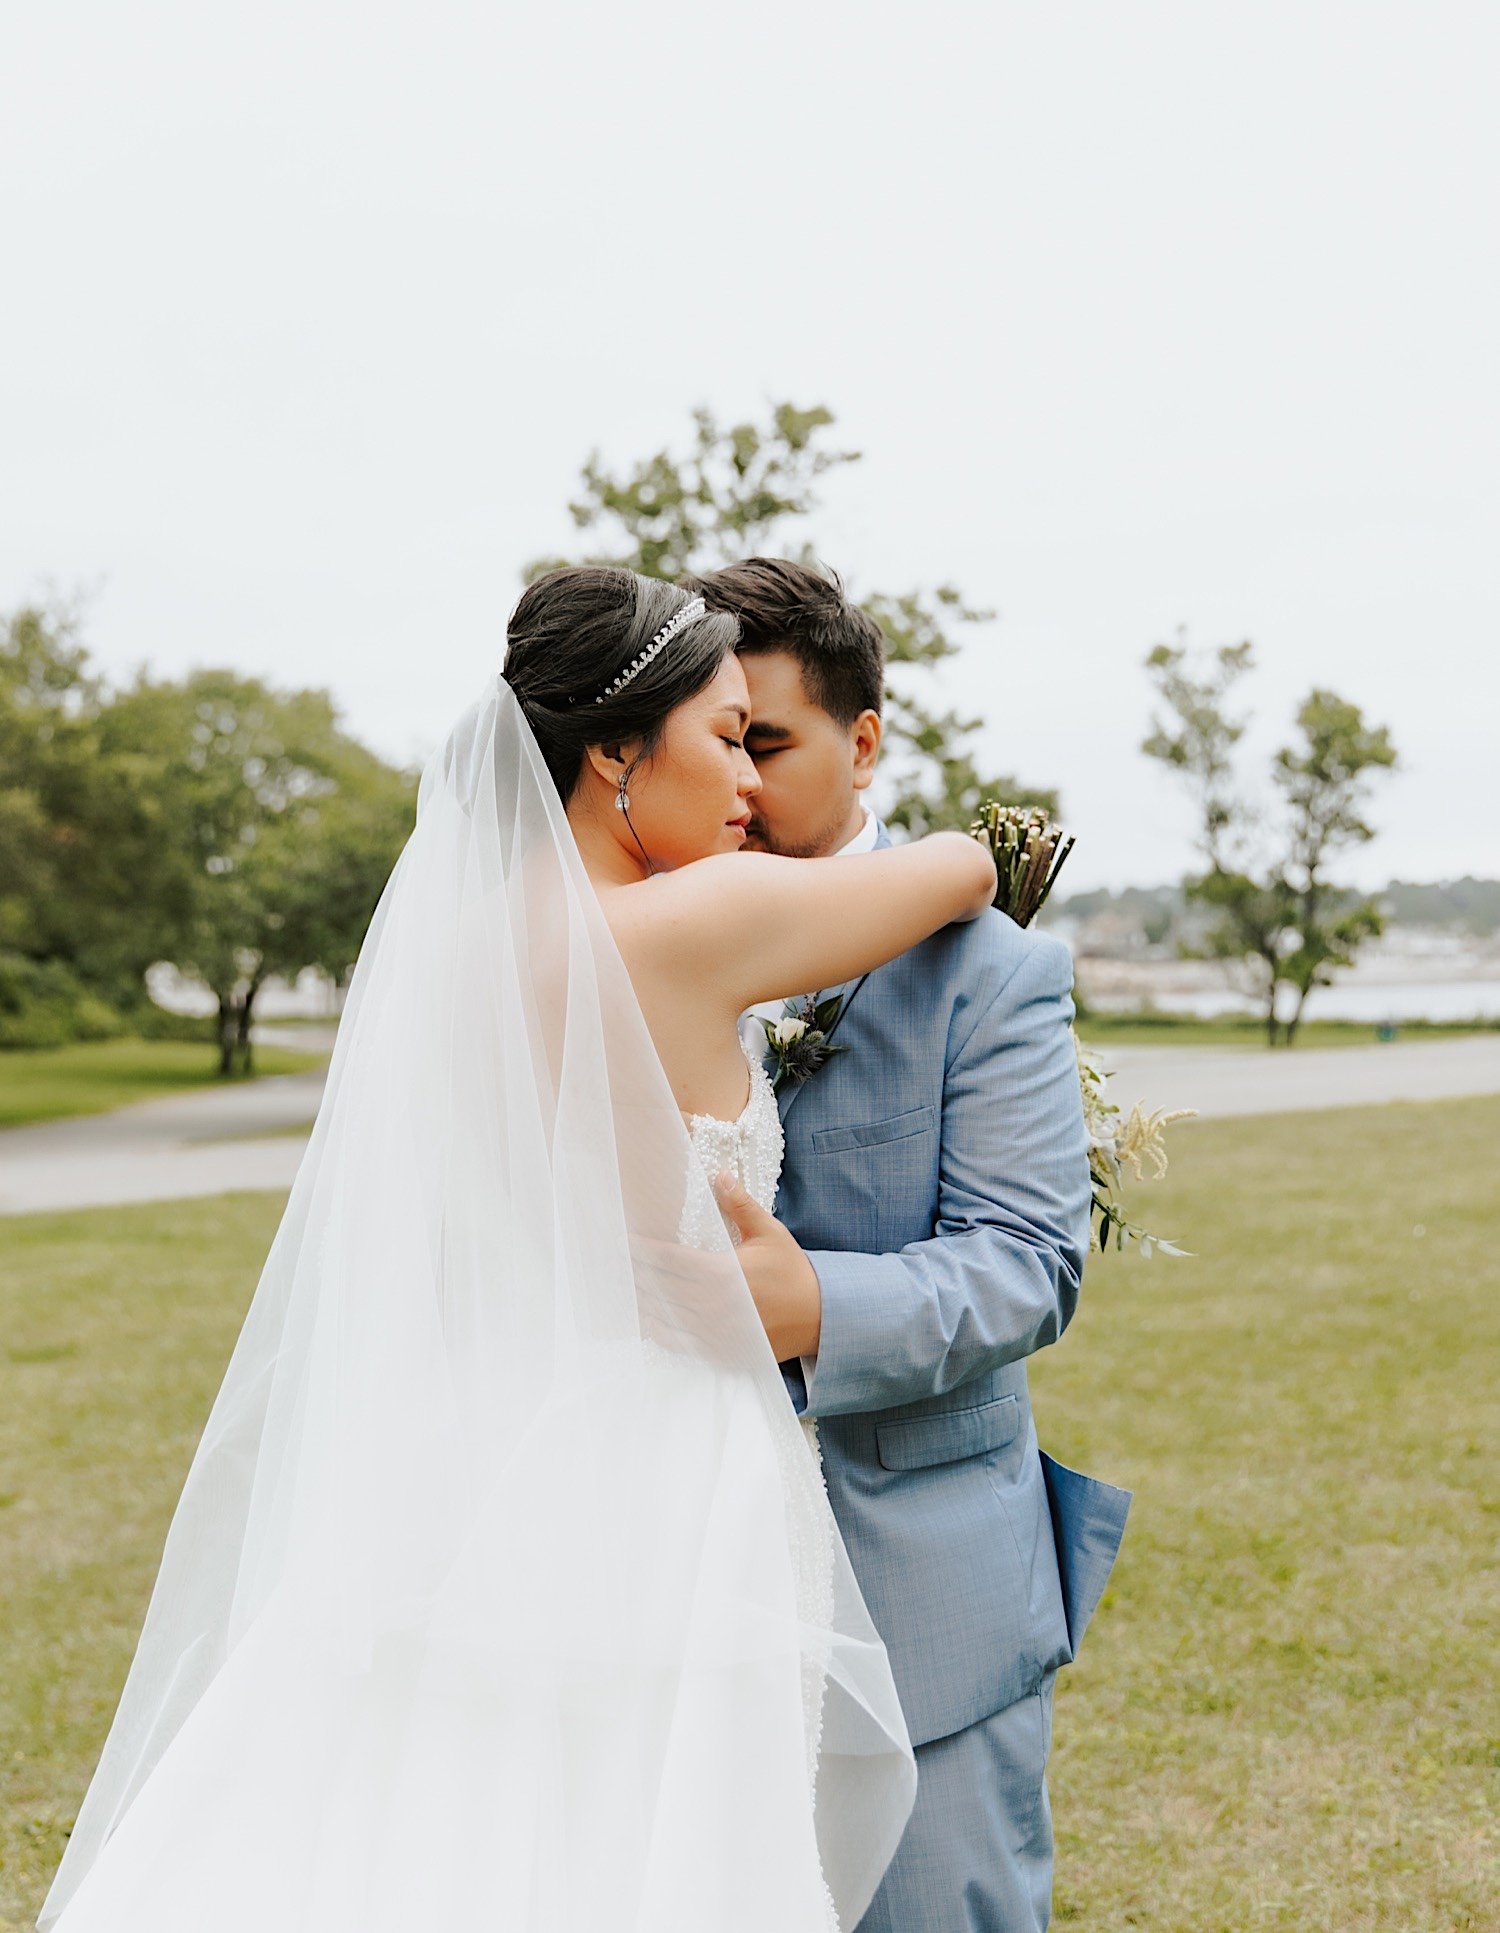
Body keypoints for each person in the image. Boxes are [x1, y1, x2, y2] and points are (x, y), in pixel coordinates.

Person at [38, 567, 996, 1933]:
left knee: (473, 1810)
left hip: (481, 1447)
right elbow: (957, 868)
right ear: (614, 749)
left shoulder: (454, 954)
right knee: (656, 1833)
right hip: (664, 1459)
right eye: (726, 737)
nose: (750, 788)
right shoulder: (690, 922)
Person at [692, 556, 1132, 1933]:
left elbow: (1025, 1260)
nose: (744, 785)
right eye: (718, 743)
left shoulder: (985, 967)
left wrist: (812, 1298)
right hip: (681, 1594)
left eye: (770, 740)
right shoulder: (643, 953)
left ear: (865, 738)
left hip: (921, 1595)